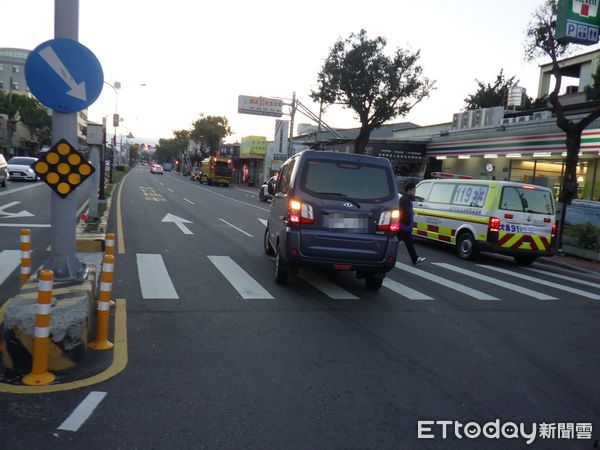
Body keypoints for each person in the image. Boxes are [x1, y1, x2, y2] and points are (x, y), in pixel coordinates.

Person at [398, 182, 426, 264]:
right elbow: (404, 212)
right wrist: (407, 221)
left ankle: (415, 258)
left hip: (405, 226)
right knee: (396, 243)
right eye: (413, 190)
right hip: (404, 227)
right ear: (409, 190)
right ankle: (385, 255)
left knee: (408, 243)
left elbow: (406, 211)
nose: (415, 192)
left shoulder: (406, 199)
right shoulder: (406, 199)